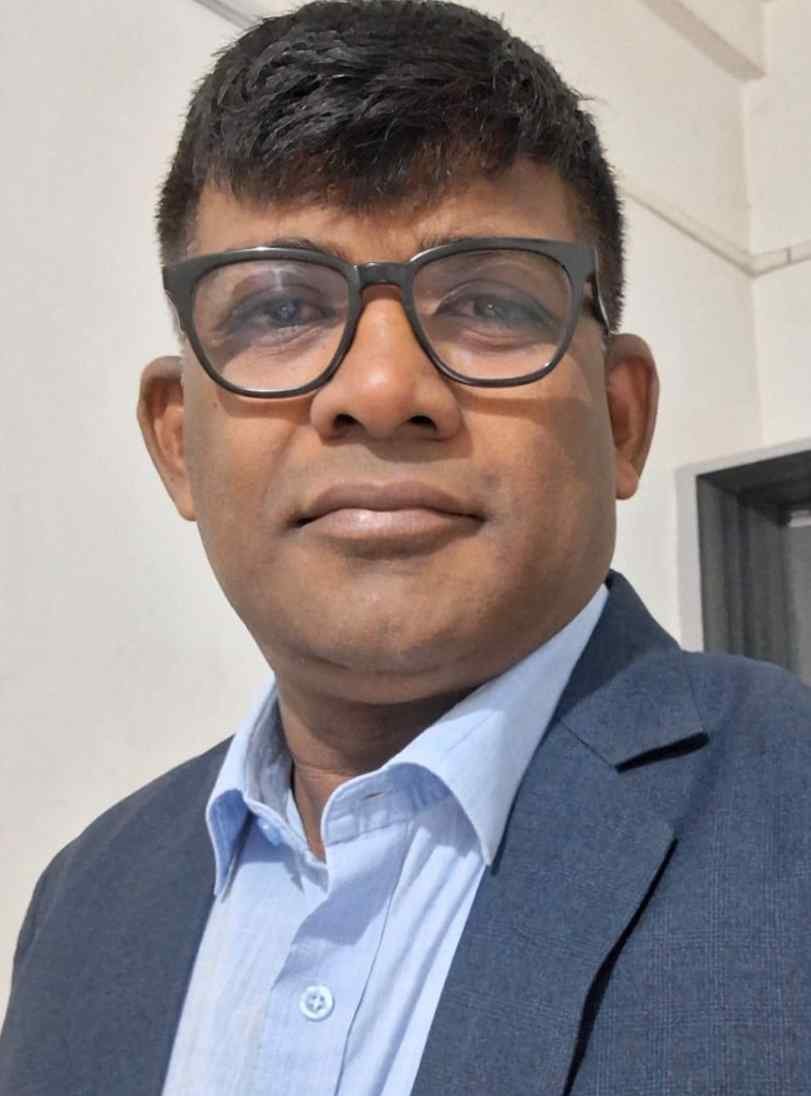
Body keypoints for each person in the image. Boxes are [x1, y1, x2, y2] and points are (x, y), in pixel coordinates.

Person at [3, 0, 811, 1092]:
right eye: (279, 310)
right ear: (178, 442)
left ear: (621, 418)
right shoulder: (84, 902)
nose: (382, 389)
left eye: (487, 302)